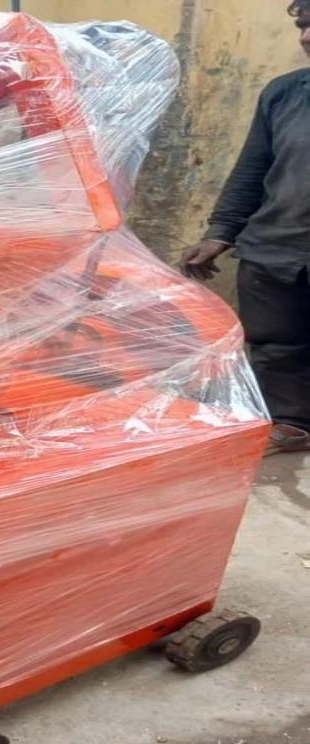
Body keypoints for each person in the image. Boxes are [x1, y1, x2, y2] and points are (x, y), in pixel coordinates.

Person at [180, 0, 310, 454]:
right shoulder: (285, 93)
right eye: (303, 25)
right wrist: (221, 232)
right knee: (277, 344)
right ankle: (292, 423)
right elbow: (254, 168)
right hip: (275, 247)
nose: (307, 37)